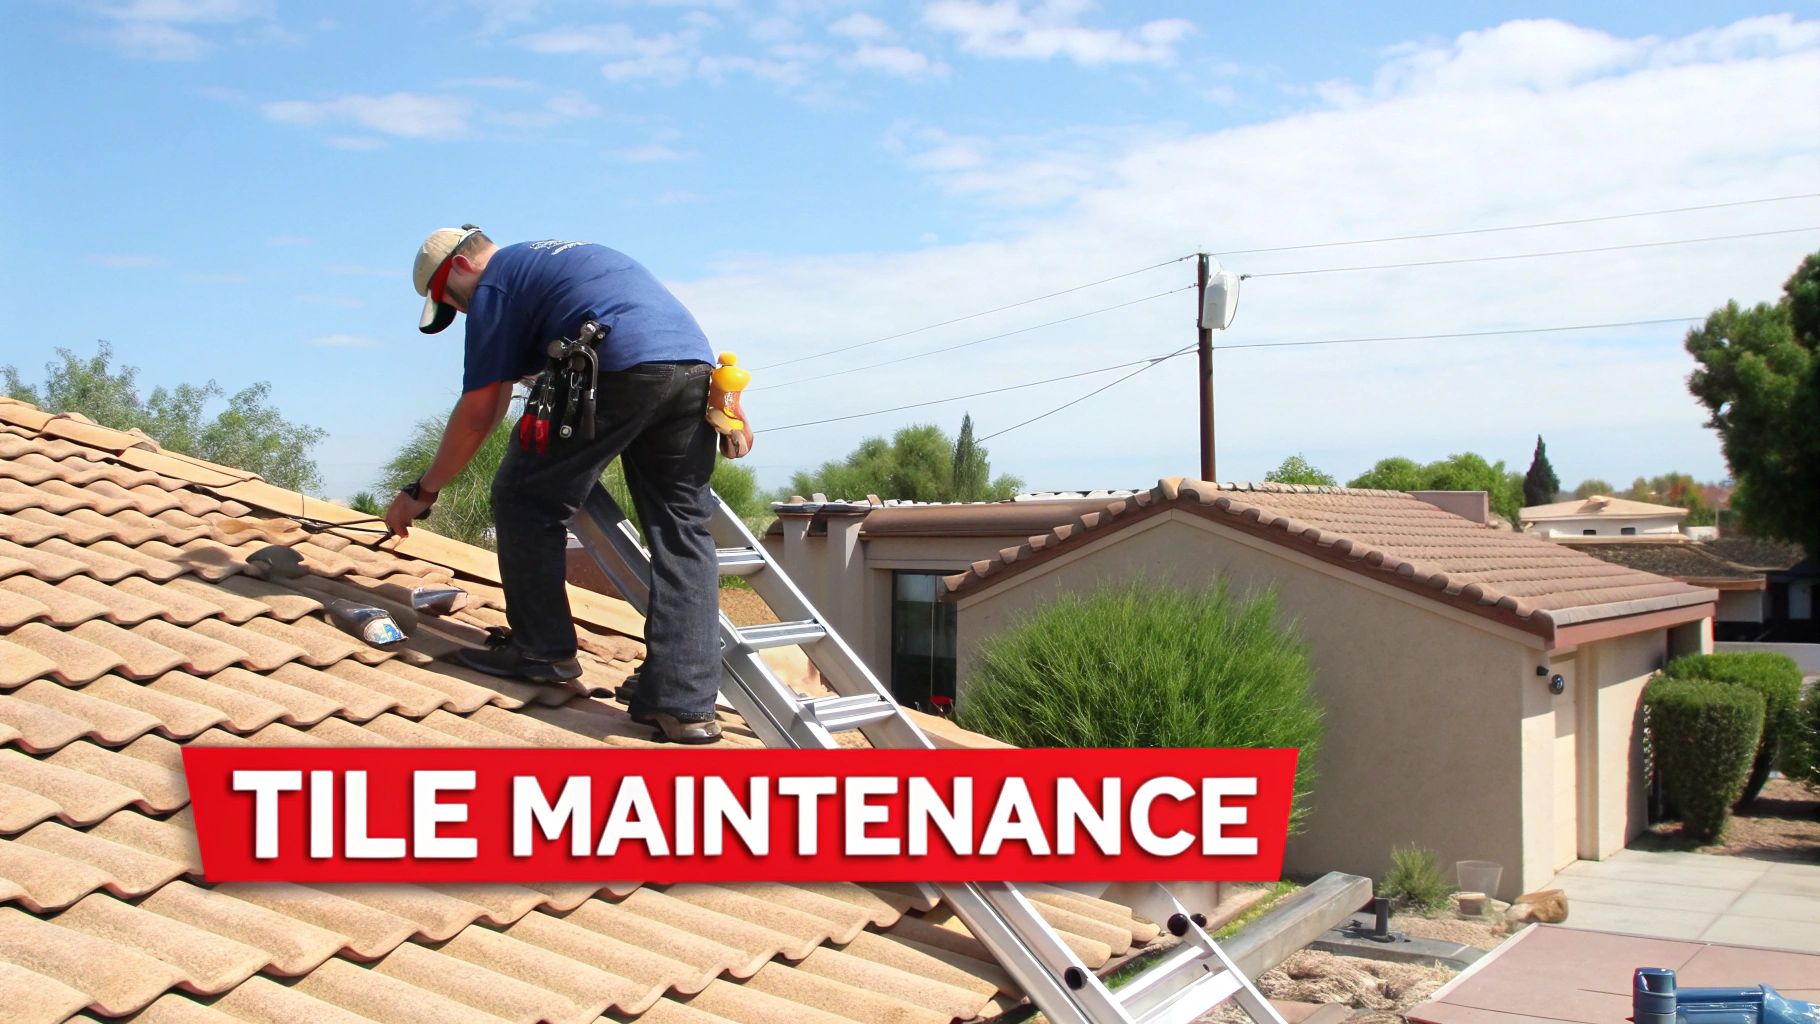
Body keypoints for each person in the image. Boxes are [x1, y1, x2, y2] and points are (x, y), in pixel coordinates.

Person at [385, 226, 744, 744]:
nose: (464, 314)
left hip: (619, 367)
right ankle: (683, 703)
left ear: (460, 268)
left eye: (452, 302)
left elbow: (481, 409)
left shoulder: (494, 286)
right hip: (694, 371)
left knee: (526, 499)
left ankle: (542, 652)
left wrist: (424, 490)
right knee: (682, 531)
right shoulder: (559, 261)